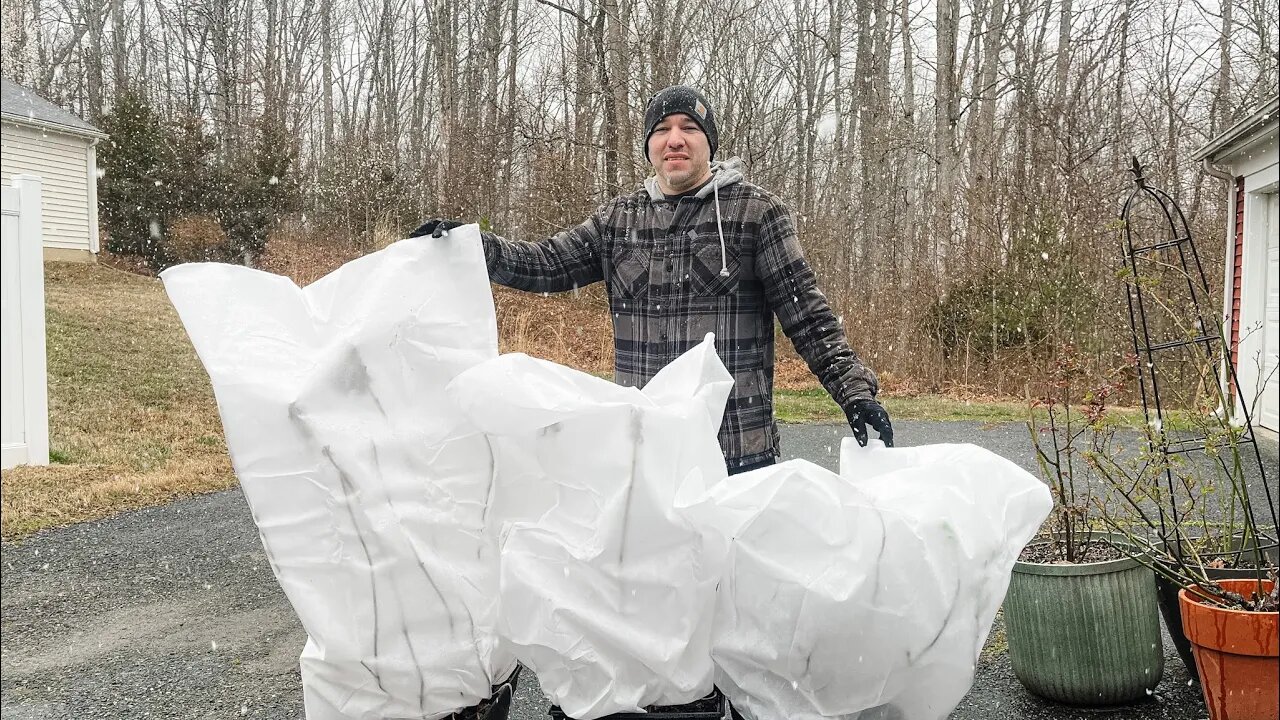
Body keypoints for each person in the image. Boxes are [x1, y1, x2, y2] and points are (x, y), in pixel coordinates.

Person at [413, 85, 892, 474]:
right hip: (645, 455)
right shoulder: (619, 220)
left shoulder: (754, 213)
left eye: (688, 127)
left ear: (709, 142)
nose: (675, 139)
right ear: (649, 147)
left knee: (730, 592)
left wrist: (853, 391)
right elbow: (545, 262)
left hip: (735, 455)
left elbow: (807, 314)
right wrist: (475, 246)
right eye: (662, 130)